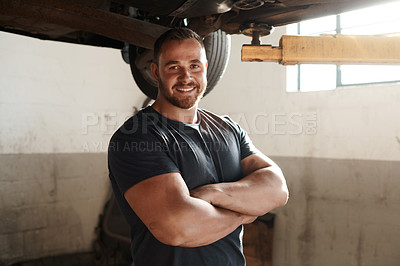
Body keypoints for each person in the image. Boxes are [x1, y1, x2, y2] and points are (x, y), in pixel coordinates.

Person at [108, 27, 289, 266]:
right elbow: (178, 227)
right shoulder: (136, 137)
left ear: (206, 69)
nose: (186, 77)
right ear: (155, 71)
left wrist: (213, 194)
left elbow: (277, 190)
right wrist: (245, 212)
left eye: (194, 66)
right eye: (174, 67)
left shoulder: (228, 129)